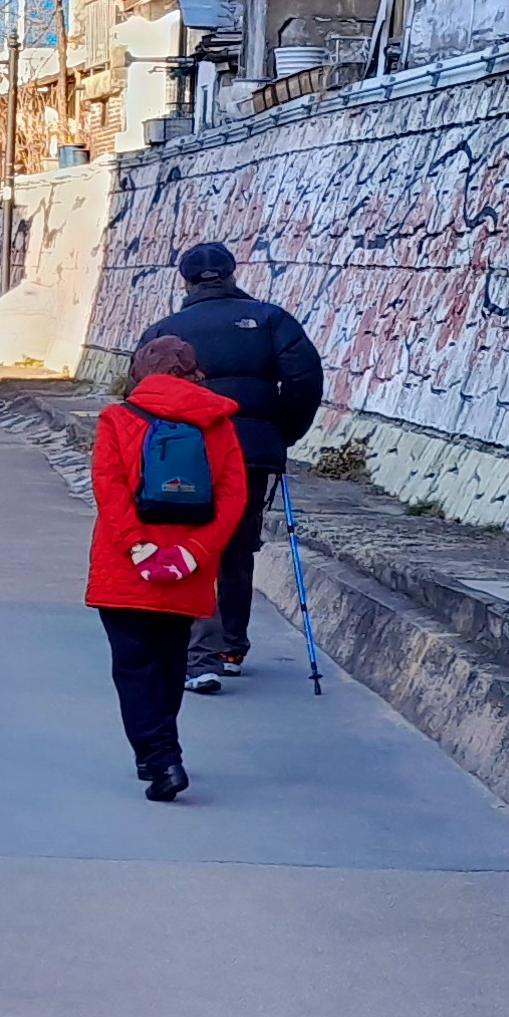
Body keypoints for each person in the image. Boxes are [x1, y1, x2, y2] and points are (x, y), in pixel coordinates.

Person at [133, 240, 326, 692]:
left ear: (185, 282)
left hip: (186, 454)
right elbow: (305, 379)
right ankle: (232, 647)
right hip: (250, 451)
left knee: (193, 540)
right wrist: (280, 432)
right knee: (238, 547)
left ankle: (199, 651)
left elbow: (140, 391)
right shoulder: (270, 319)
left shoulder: (165, 329)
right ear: (231, 274)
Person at [89, 333, 255, 801]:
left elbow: (110, 489)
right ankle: (161, 751)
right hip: (188, 568)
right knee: (169, 662)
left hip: (126, 568)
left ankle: (161, 758)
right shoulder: (217, 424)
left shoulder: (118, 418)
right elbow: (233, 496)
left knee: (134, 667)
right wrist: (194, 552)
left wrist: (139, 548)